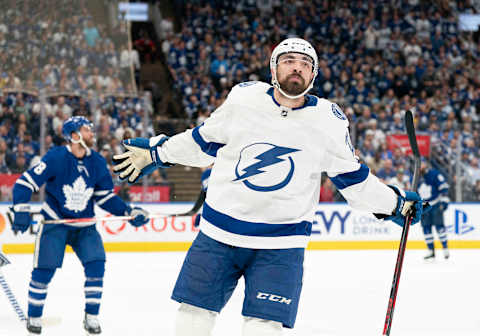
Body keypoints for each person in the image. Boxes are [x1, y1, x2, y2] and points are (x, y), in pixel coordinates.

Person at [112, 37, 426, 336]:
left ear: (313, 74)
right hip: (218, 235)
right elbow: (202, 142)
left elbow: (353, 182)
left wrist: (394, 204)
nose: (296, 67)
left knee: (264, 328)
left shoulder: (328, 121)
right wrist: (159, 151)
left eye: (305, 63)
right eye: (288, 61)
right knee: (193, 317)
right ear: (273, 69)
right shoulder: (243, 99)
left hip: (281, 246)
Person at [11, 116, 149, 335]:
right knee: (43, 271)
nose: (92, 133)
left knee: (96, 266)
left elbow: (105, 198)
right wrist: (20, 208)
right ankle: (34, 316)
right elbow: (24, 184)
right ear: (74, 136)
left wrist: (128, 211)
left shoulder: (97, 161)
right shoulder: (56, 157)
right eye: (86, 130)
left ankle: (91, 317)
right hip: (55, 223)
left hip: (85, 225)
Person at [417, 159, 450, 260]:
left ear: (426, 164)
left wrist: (444, 202)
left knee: (440, 227)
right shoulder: (415, 177)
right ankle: (431, 251)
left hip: (435, 205)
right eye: (419, 164)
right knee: (426, 229)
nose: (420, 166)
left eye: (422, 164)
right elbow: (414, 193)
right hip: (423, 207)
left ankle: (445, 248)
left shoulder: (435, 174)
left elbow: (444, 188)